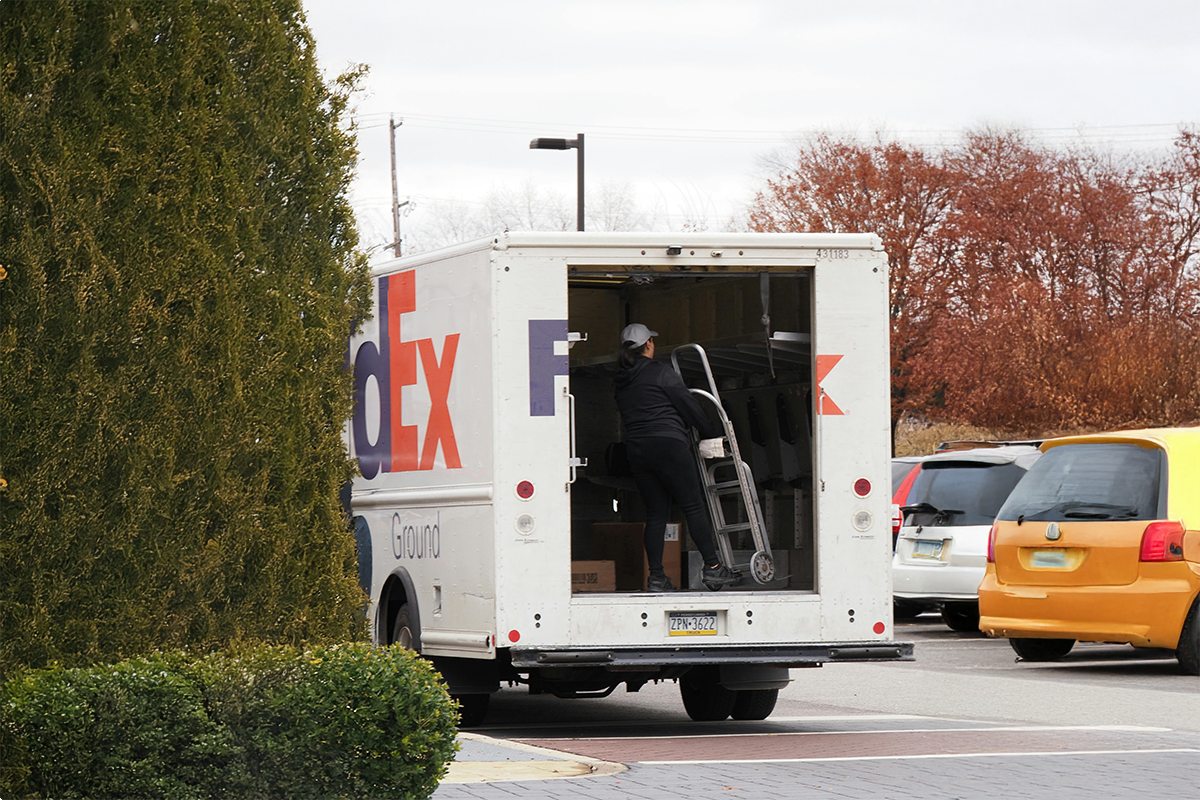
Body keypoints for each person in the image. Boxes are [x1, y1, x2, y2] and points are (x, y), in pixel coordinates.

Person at [613, 323, 739, 592]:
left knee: (656, 513)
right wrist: (711, 433)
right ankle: (713, 568)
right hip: (668, 446)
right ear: (648, 344)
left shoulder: (621, 382)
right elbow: (688, 406)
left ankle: (657, 577)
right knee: (693, 506)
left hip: (637, 451)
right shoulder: (661, 373)